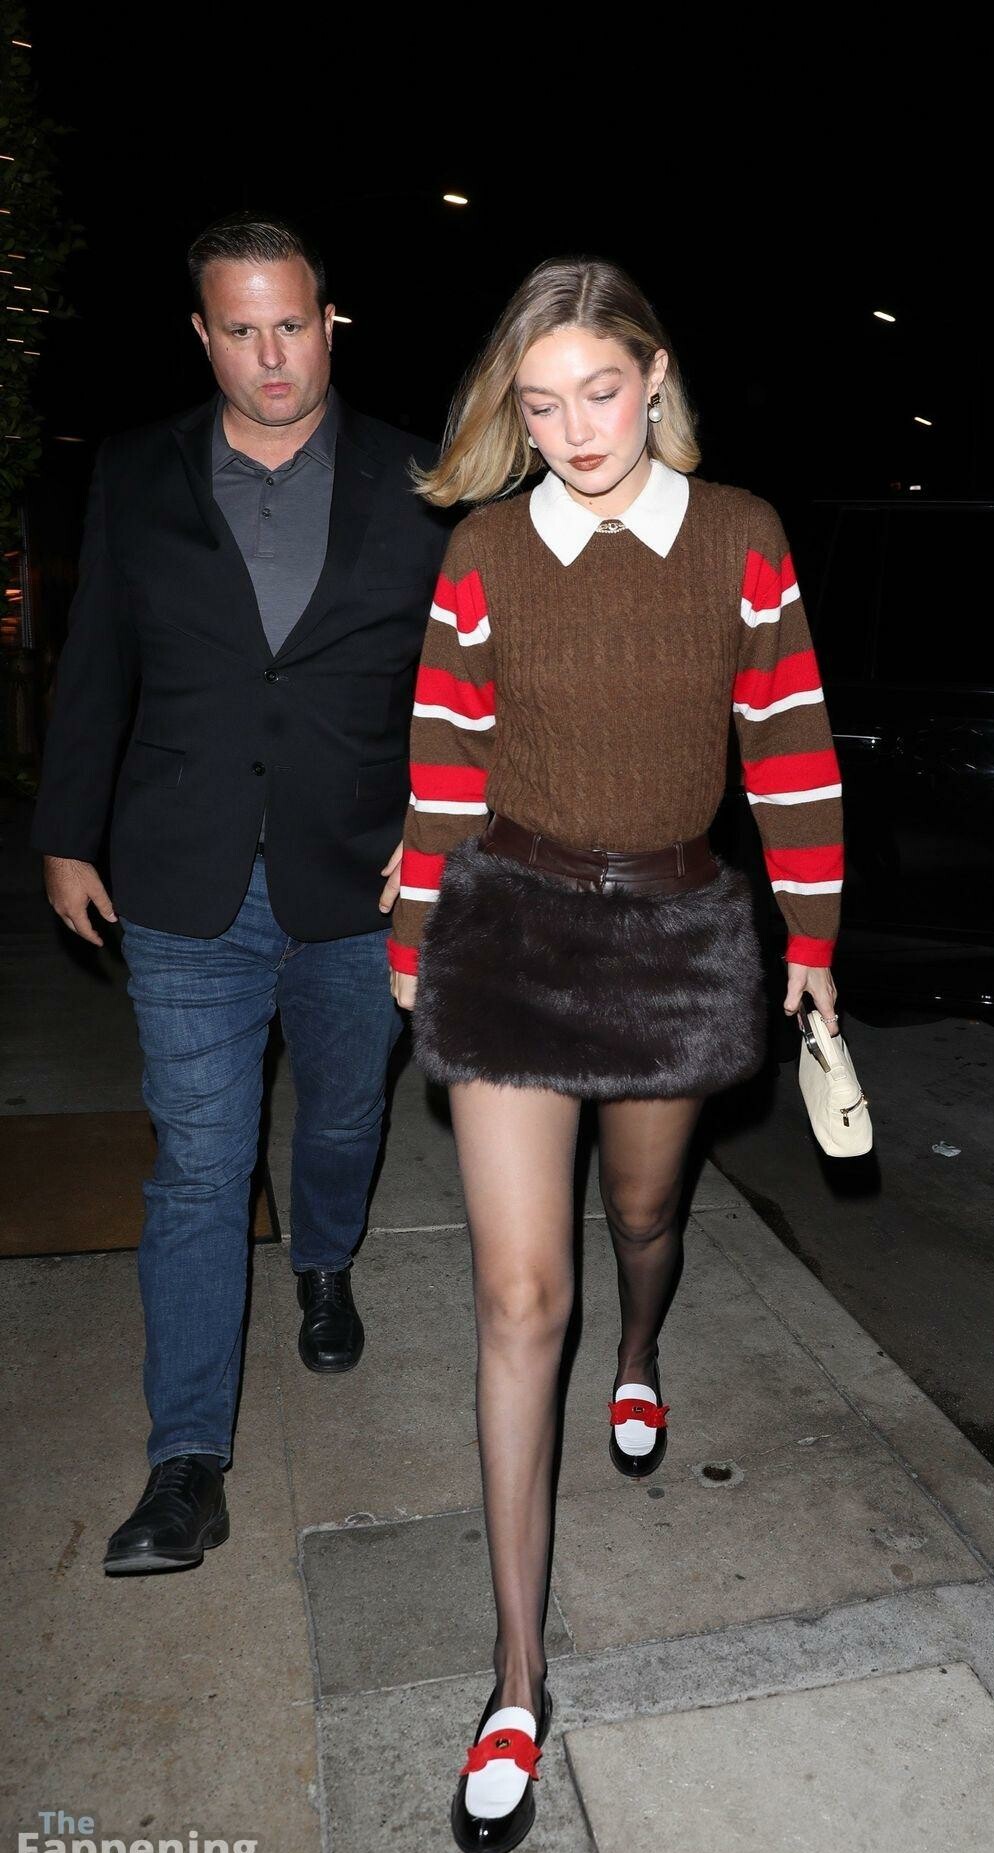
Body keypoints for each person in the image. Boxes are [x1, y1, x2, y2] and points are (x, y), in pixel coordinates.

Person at [388, 255, 844, 1853]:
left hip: (674, 930)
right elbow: (445, 760)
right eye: (541, 405)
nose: (576, 429)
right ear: (513, 415)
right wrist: (413, 944)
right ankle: (517, 1681)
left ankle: (642, 1351)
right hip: (511, 927)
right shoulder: (485, 551)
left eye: (601, 391)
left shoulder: (740, 535)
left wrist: (812, 942)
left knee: (643, 1220)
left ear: (654, 381)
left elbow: (789, 747)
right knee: (523, 1298)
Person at [30, 214, 447, 1575]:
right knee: (202, 1167)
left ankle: (323, 1260)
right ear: (203, 336)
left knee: (342, 1116)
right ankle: (186, 1464)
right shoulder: (136, 470)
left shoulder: (420, 477)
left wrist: (441, 827)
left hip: (363, 878)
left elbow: (468, 683)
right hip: (180, 875)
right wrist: (65, 832)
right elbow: (97, 658)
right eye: (241, 330)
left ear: (329, 324)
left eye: (293, 326)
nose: (272, 358)